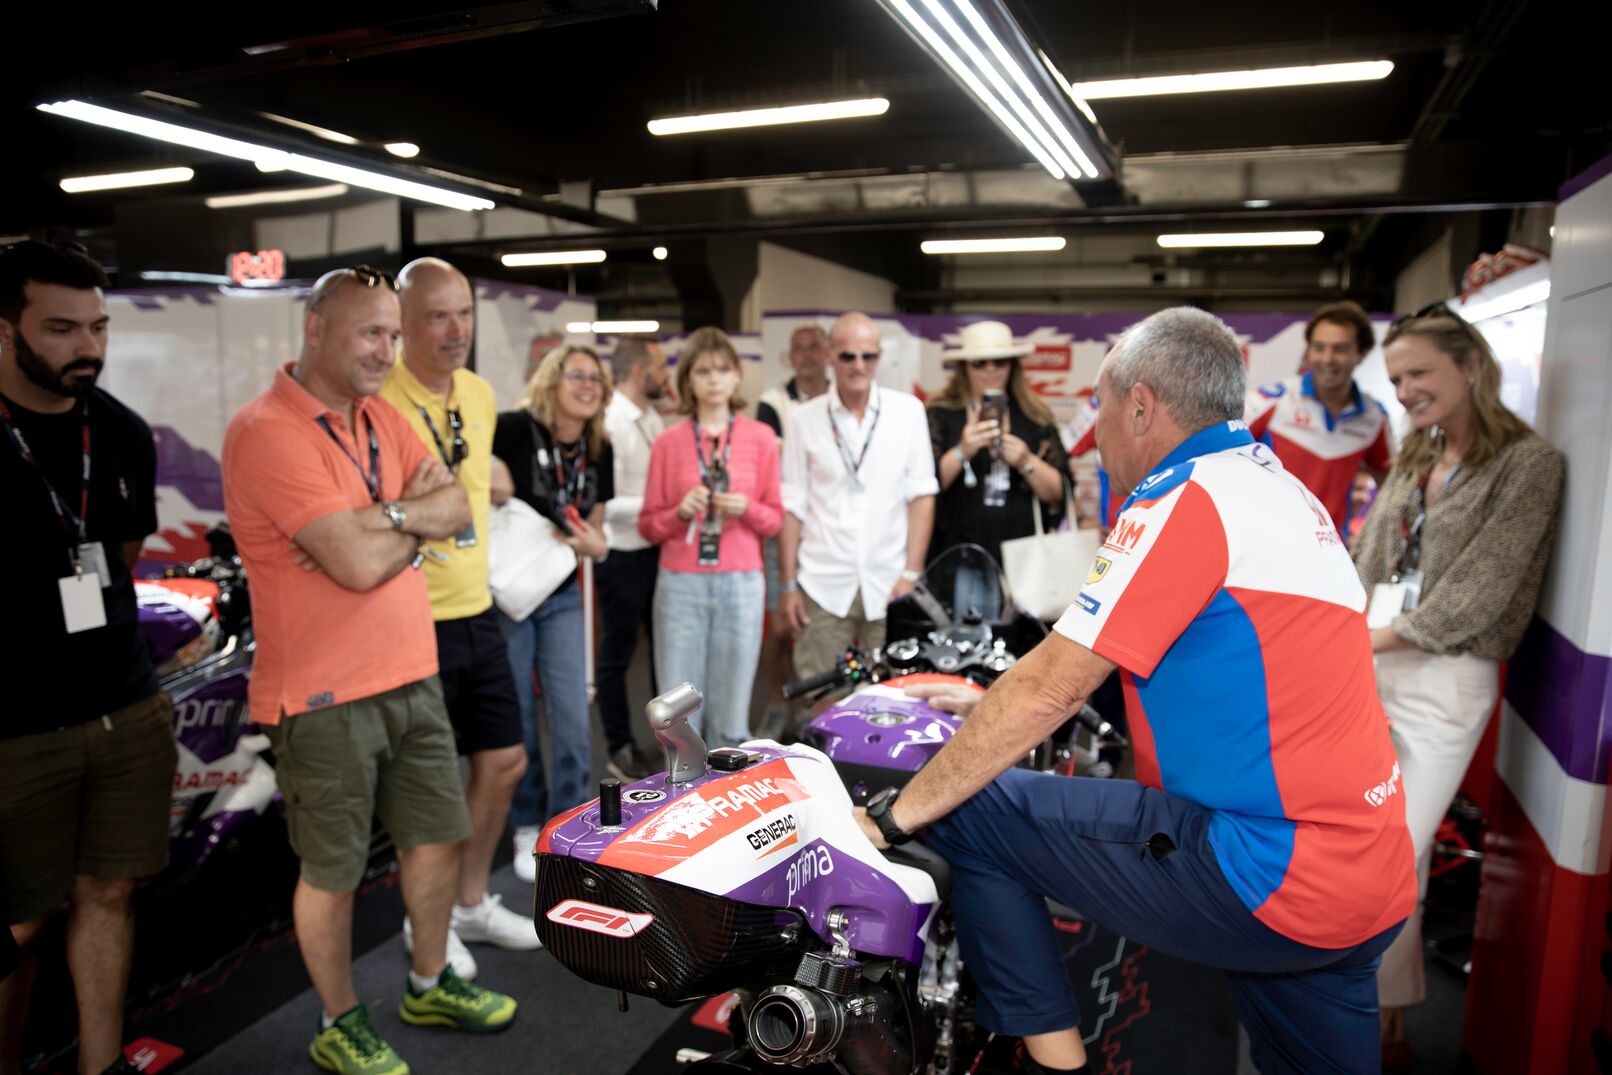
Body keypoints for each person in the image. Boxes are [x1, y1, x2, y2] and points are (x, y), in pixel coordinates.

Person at [855, 307, 1416, 1075]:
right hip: (1369, 872)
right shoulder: (1280, 490)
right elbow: (1194, 658)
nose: (1097, 432)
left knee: (971, 804)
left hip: (1266, 866)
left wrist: (889, 817)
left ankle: (1055, 1065)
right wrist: (993, 704)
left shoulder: (1184, 497)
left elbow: (1048, 688)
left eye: (1103, 407)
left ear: (1142, 406)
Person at [223, 266, 515, 1075]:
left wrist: (384, 520)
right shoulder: (267, 430)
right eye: (371, 333)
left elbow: (455, 503)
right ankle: (337, 1016)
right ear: (315, 329)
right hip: (321, 694)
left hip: (409, 670)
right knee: (335, 867)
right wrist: (402, 522)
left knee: (435, 836)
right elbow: (352, 564)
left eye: (393, 333)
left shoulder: (381, 413)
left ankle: (427, 979)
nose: (388, 350)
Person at [1351, 304, 1564, 1070]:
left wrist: (1359, 636)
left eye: (1420, 374)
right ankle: (1386, 1026)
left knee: (1396, 847)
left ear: (1470, 365)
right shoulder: (1415, 456)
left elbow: (1483, 592)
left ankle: (1379, 1026)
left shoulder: (1529, 465)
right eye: (1398, 377)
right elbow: (1369, 555)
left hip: (1444, 678)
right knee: (1371, 847)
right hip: (1369, 662)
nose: (1406, 390)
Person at [0, 240, 175, 1075]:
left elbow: (124, 554)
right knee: (17, 923)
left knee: (109, 893)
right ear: (4, 328)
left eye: (99, 326)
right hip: (15, 729)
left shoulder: (120, 432)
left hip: (124, 706)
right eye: (63, 328)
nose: (90, 348)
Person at [380, 258, 536, 980]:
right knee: (432, 793)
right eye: (437, 316)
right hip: (411, 618)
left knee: (504, 761)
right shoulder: (381, 398)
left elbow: (476, 479)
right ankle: (428, 922)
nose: (455, 330)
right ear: (403, 324)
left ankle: (470, 900)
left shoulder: (476, 393)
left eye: (464, 313)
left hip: (478, 608)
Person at [492, 344, 612, 882]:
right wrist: (491, 474)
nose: (588, 386)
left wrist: (597, 545)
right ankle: (523, 824)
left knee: (570, 717)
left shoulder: (598, 446)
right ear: (552, 380)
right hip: (510, 593)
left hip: (561, 590)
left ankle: (566, 827)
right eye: (577, 375)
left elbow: (600, 530)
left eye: (596, 379)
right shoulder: (514, 428)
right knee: (516, 711)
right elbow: (476, 475)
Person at [638, 327, 783, 747]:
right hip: (681, 584)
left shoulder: (760, 439)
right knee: (677, 713)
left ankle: (730, 804)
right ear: (688, 381)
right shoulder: (668, 442)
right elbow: (649, 525)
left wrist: (747, 508)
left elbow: (774, 520)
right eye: (703, 371)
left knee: (733, 713)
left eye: (723, 369)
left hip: (741, 582)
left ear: (737, 376)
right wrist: (679, 512)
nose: (714, 379)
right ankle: (683, 797)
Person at [927, 320, 1066, 617]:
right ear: (965, 368)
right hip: (959, 555)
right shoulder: (942, 415)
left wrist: (1026, 461)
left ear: (1012, 366)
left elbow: (1060, 493)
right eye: (980, 363)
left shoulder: (1034, 416)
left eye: (1000, 361)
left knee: (1021, 649)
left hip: (1025, 558)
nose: (991, 370)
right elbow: (925, 487)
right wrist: (962, 451)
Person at [1246, 300, 1392, 530]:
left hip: (1331, 550)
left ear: (1361, 353)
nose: (1327, 359)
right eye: (1319, 347)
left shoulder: (1374, 416)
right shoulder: (1272, 401)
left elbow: (1390, 487)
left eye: (1339, 349)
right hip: (1268, 541)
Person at [596, 336, 670, 779]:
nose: (667, 376)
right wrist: (658, 504)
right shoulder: (610, 423)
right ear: (641, 372)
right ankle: (618, 744)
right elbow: (606, 505)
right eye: (661, 367)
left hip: (654, 550)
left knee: (662, 651)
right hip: (621, 555)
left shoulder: (653, 416)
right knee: (617, 655)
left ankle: (669, 739)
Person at [756, 323, 831, 439]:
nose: (807, 354)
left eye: (814, 347)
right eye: (798, 348)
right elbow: (770, 451)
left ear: (828, 354)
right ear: (790, 357)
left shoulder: (844, 398)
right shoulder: (772, 401)